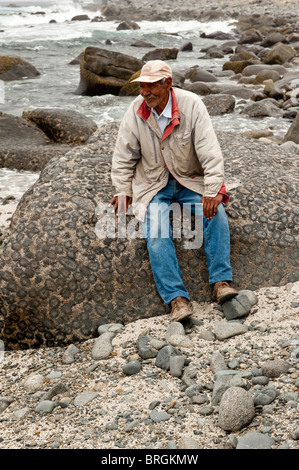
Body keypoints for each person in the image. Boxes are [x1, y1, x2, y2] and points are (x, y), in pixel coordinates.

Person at [111, 60, 237, 322]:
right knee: (155, 227)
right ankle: (177, 299)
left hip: (189, 180)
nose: (145, 93)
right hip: (152, 183)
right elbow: (124, 155)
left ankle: (221, 283)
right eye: (142, 87)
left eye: (151, 86)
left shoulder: (191, 105)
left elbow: (209, 151)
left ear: (167, 83)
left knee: (216, 213)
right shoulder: (136, 110)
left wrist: (213, 190)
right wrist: (123, 189)